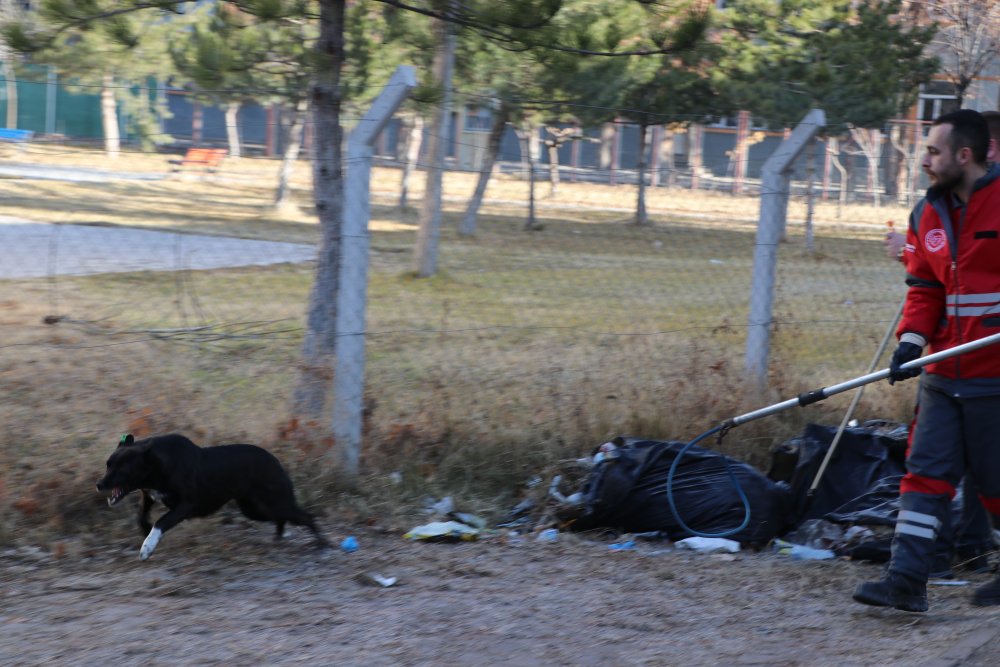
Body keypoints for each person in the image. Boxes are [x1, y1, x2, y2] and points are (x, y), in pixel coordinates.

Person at [853, 109, 1000, 613]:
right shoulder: (927, 213)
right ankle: (906, 581)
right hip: (943, 373)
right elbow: (924, 287)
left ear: (965, 155)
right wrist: (911, 342)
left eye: (934, 151)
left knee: (995, 482)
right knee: (925, 474)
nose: (925, 161)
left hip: (994, 377)